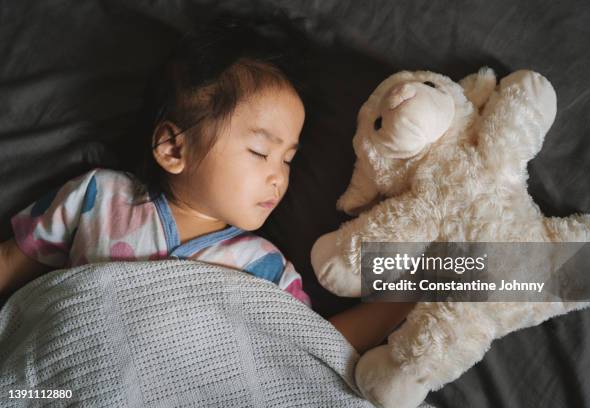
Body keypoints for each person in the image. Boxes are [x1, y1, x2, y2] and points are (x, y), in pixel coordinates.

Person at [0, 14, 414, 354]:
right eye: (259, 152)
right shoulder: (98, 198)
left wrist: (426, 283)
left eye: (289, 159)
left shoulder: (264, 268)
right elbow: (12, 264)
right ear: (173, 148)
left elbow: (316, 349)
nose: (279, 175)